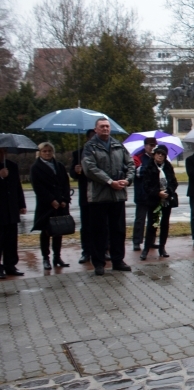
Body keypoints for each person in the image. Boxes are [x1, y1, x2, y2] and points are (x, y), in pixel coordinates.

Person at [82, 118, 135, 276]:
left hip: (118, 195)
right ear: (96, 129)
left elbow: (131, 164)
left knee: (118, 230)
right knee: (98, 231)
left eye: (107, 126)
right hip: (99, 196)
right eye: (102, 127)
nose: (105, 129)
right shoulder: (89, 147)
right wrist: (109, 181)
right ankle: (99, 263)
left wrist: (127, 179)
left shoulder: (118, 145)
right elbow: (89, 168)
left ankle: (118, 260)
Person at [30, 142, 72, 271]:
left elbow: (65, 183)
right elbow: (38, 187)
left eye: (49, 151)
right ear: (40, 152)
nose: (47, 153)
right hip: (46, 205)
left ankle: (57, 257)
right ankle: (45, 258)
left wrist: (65, 199)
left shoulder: (59, 166)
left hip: (60, 204)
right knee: (46, 232)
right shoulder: (36, 167)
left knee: (58, 231)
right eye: (44, 151)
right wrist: (51, 200)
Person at [139, 145, 179, 260]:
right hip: (154, 201)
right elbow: (146, 186)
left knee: (164, 224)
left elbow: (173, 182)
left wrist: (168, 191)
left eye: (162, 154)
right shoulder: (149, 167)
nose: (160, 156)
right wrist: (157, 193)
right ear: (154, 155)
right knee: (152, 224)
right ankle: (146, 249)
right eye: (158, 154)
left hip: (167, 200)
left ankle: (162, 247)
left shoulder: (168, 167)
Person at [70, 129, 98, 263]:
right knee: (86, 225)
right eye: (91, 137)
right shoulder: (78, 154)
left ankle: (102, 250)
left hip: (100, 194)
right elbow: (72, 174)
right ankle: (86, 251)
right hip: (86, 195)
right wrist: (76, 172)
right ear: (87, 139)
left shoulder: (102, 151)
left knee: (101, 225)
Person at [0, 147, 26, 278]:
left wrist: (21, 204)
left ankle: (10, 265)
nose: (2, 154)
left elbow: (17, 186)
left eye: (3, 151)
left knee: (11, 240)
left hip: (11, 208)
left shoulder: (12, 166)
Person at [131, 137, 155, 252]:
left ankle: (151, 240)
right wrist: (151, 167)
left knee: (154, 219)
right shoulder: (138, 156)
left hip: (154, 194)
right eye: (150, 145)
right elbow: (138, 172)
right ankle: (137, 241)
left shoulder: (157, 156)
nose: (152, 148)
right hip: (142, 194)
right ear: (145, 145)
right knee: (140, 219)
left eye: (154, 145)